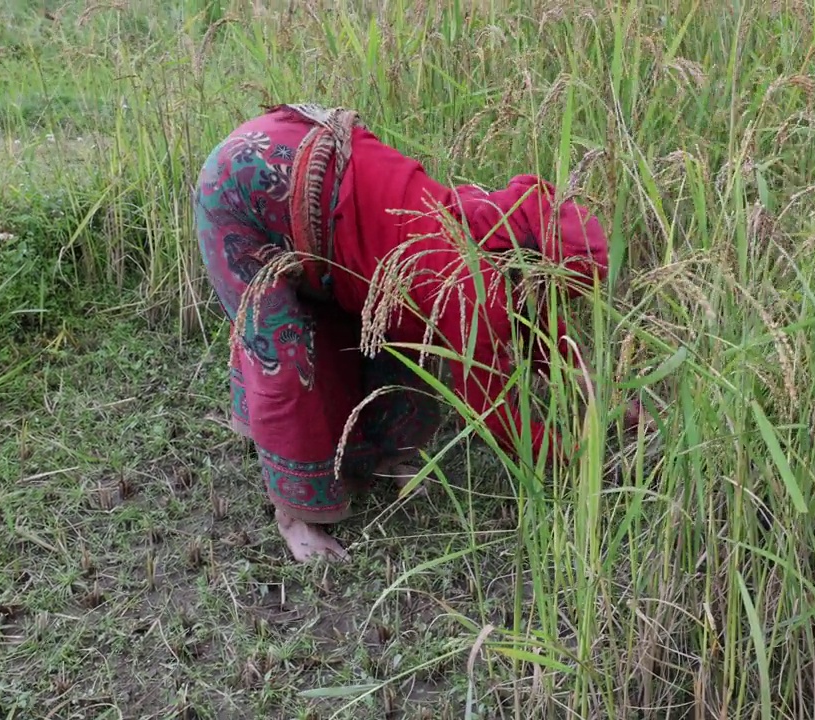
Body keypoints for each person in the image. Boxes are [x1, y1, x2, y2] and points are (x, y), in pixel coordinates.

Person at [193, 103, 649, 562]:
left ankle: (382, 454)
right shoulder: (472, 291)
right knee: (283, 354)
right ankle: (295, 516)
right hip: (240, 190)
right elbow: (493, 412)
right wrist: (578, 457)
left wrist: (603, 396)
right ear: (536, 268)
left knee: (390, 328)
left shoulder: (490, 220)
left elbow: (542, 329)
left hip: (309, 163)